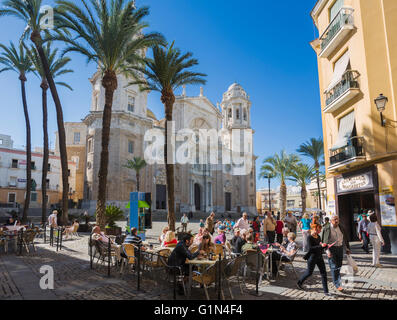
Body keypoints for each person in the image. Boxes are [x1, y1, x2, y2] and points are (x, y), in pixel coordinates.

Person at [297, 224, 330, 296]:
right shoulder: (309, 237)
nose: (320, 231)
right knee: (309, 272)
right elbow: (310, 248)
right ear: (314, 229)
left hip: (319, 257)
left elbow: (320, 247)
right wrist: (320, 246)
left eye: (320, 230)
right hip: (312, 257)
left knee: (324, 273)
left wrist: (325, 246)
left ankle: (326, 291)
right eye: (318, 229)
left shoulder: (318, 236)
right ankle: (299, 282)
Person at [321, 215, 351, 292]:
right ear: (331, 220)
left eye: (337, 219)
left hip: (340, 248)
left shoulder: (341, 227)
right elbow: (324, 242)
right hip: (331, 249)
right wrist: (327, 251)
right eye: (334, 219)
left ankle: (336, 280)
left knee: (339, 265)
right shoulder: (326, 228)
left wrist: (347, 248)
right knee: (334, 266)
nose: (336, 221)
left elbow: (344, 238)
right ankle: (337, 284)